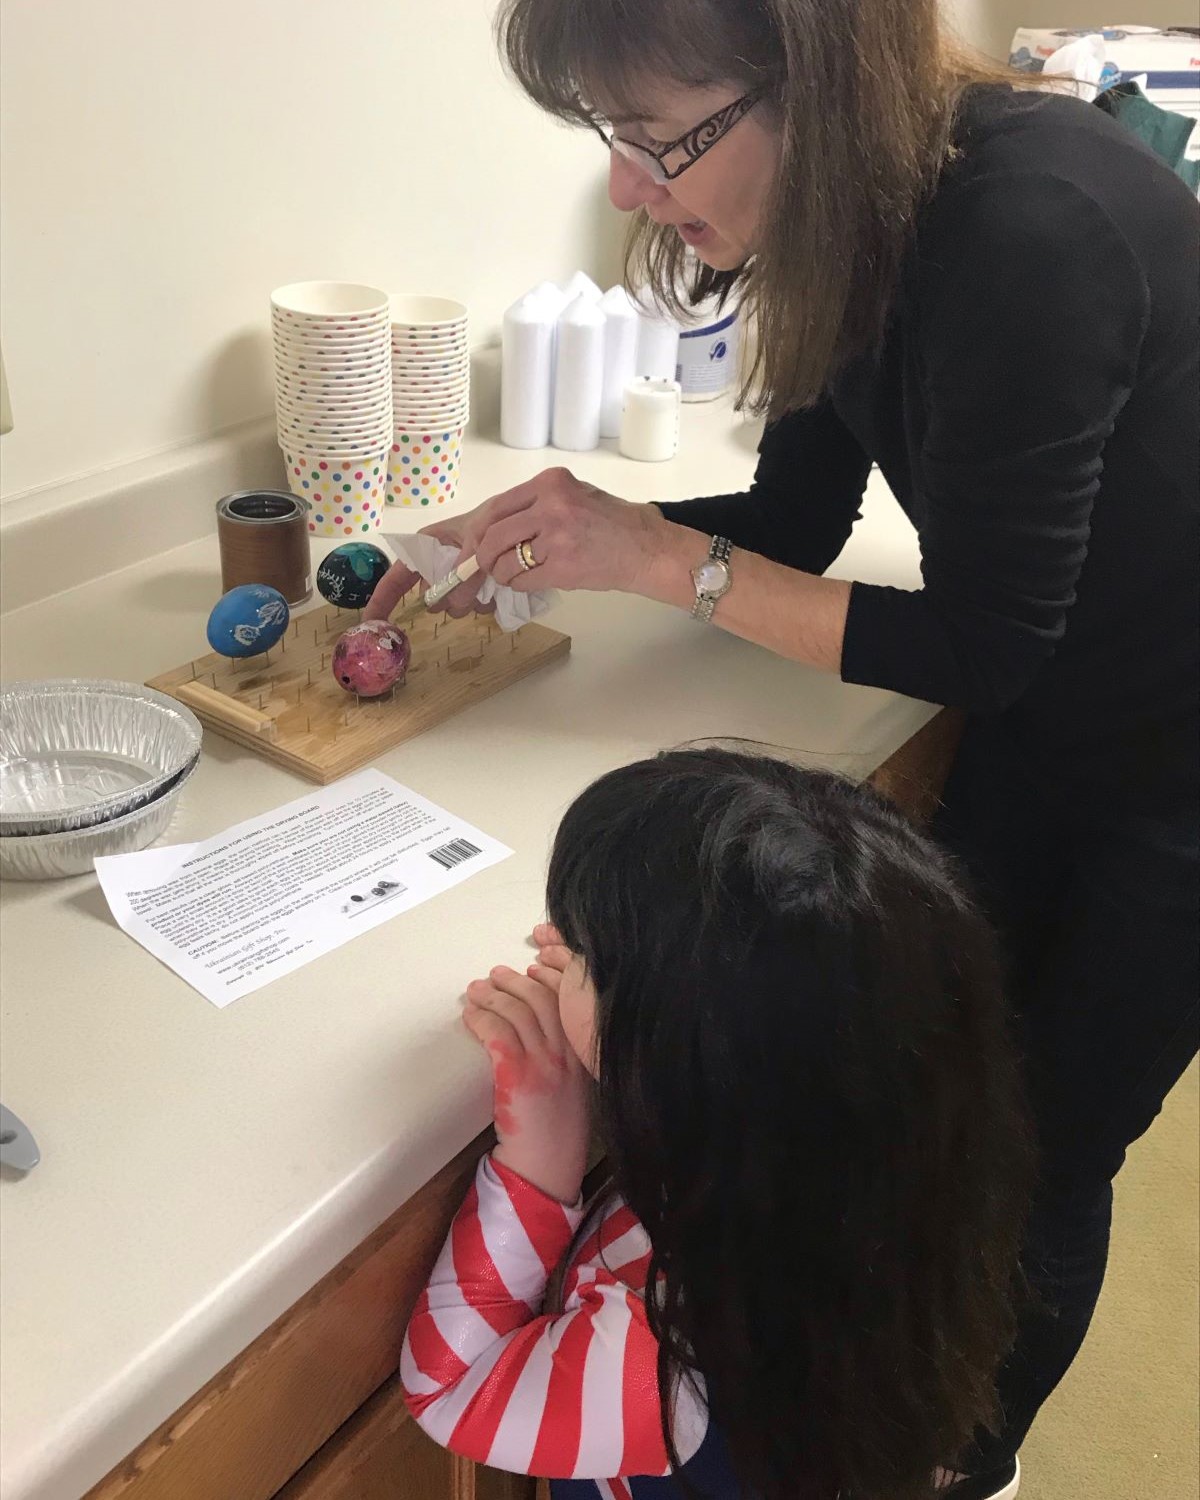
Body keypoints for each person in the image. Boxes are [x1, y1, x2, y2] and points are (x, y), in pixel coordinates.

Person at [371, 3, 1200, 1491]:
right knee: (927, 1107)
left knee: (1048, 1148)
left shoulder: (1032, 227)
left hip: (1177, 754)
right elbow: (798, 528)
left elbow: (986, 642)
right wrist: (583, 539)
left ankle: (961, 1465)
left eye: (651, 139)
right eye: (607, 141)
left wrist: (659, 565)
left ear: (810, 92)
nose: (628, 187)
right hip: (1046, 707)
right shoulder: (853, 233)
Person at [402, 749, 1033, 1500]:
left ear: (682, 1058)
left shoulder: (673, 1352)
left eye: (584, 956)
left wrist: (539, 1158)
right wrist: (623, 978)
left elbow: (451, 1390)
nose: (555, 947)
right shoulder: (888, 1165)